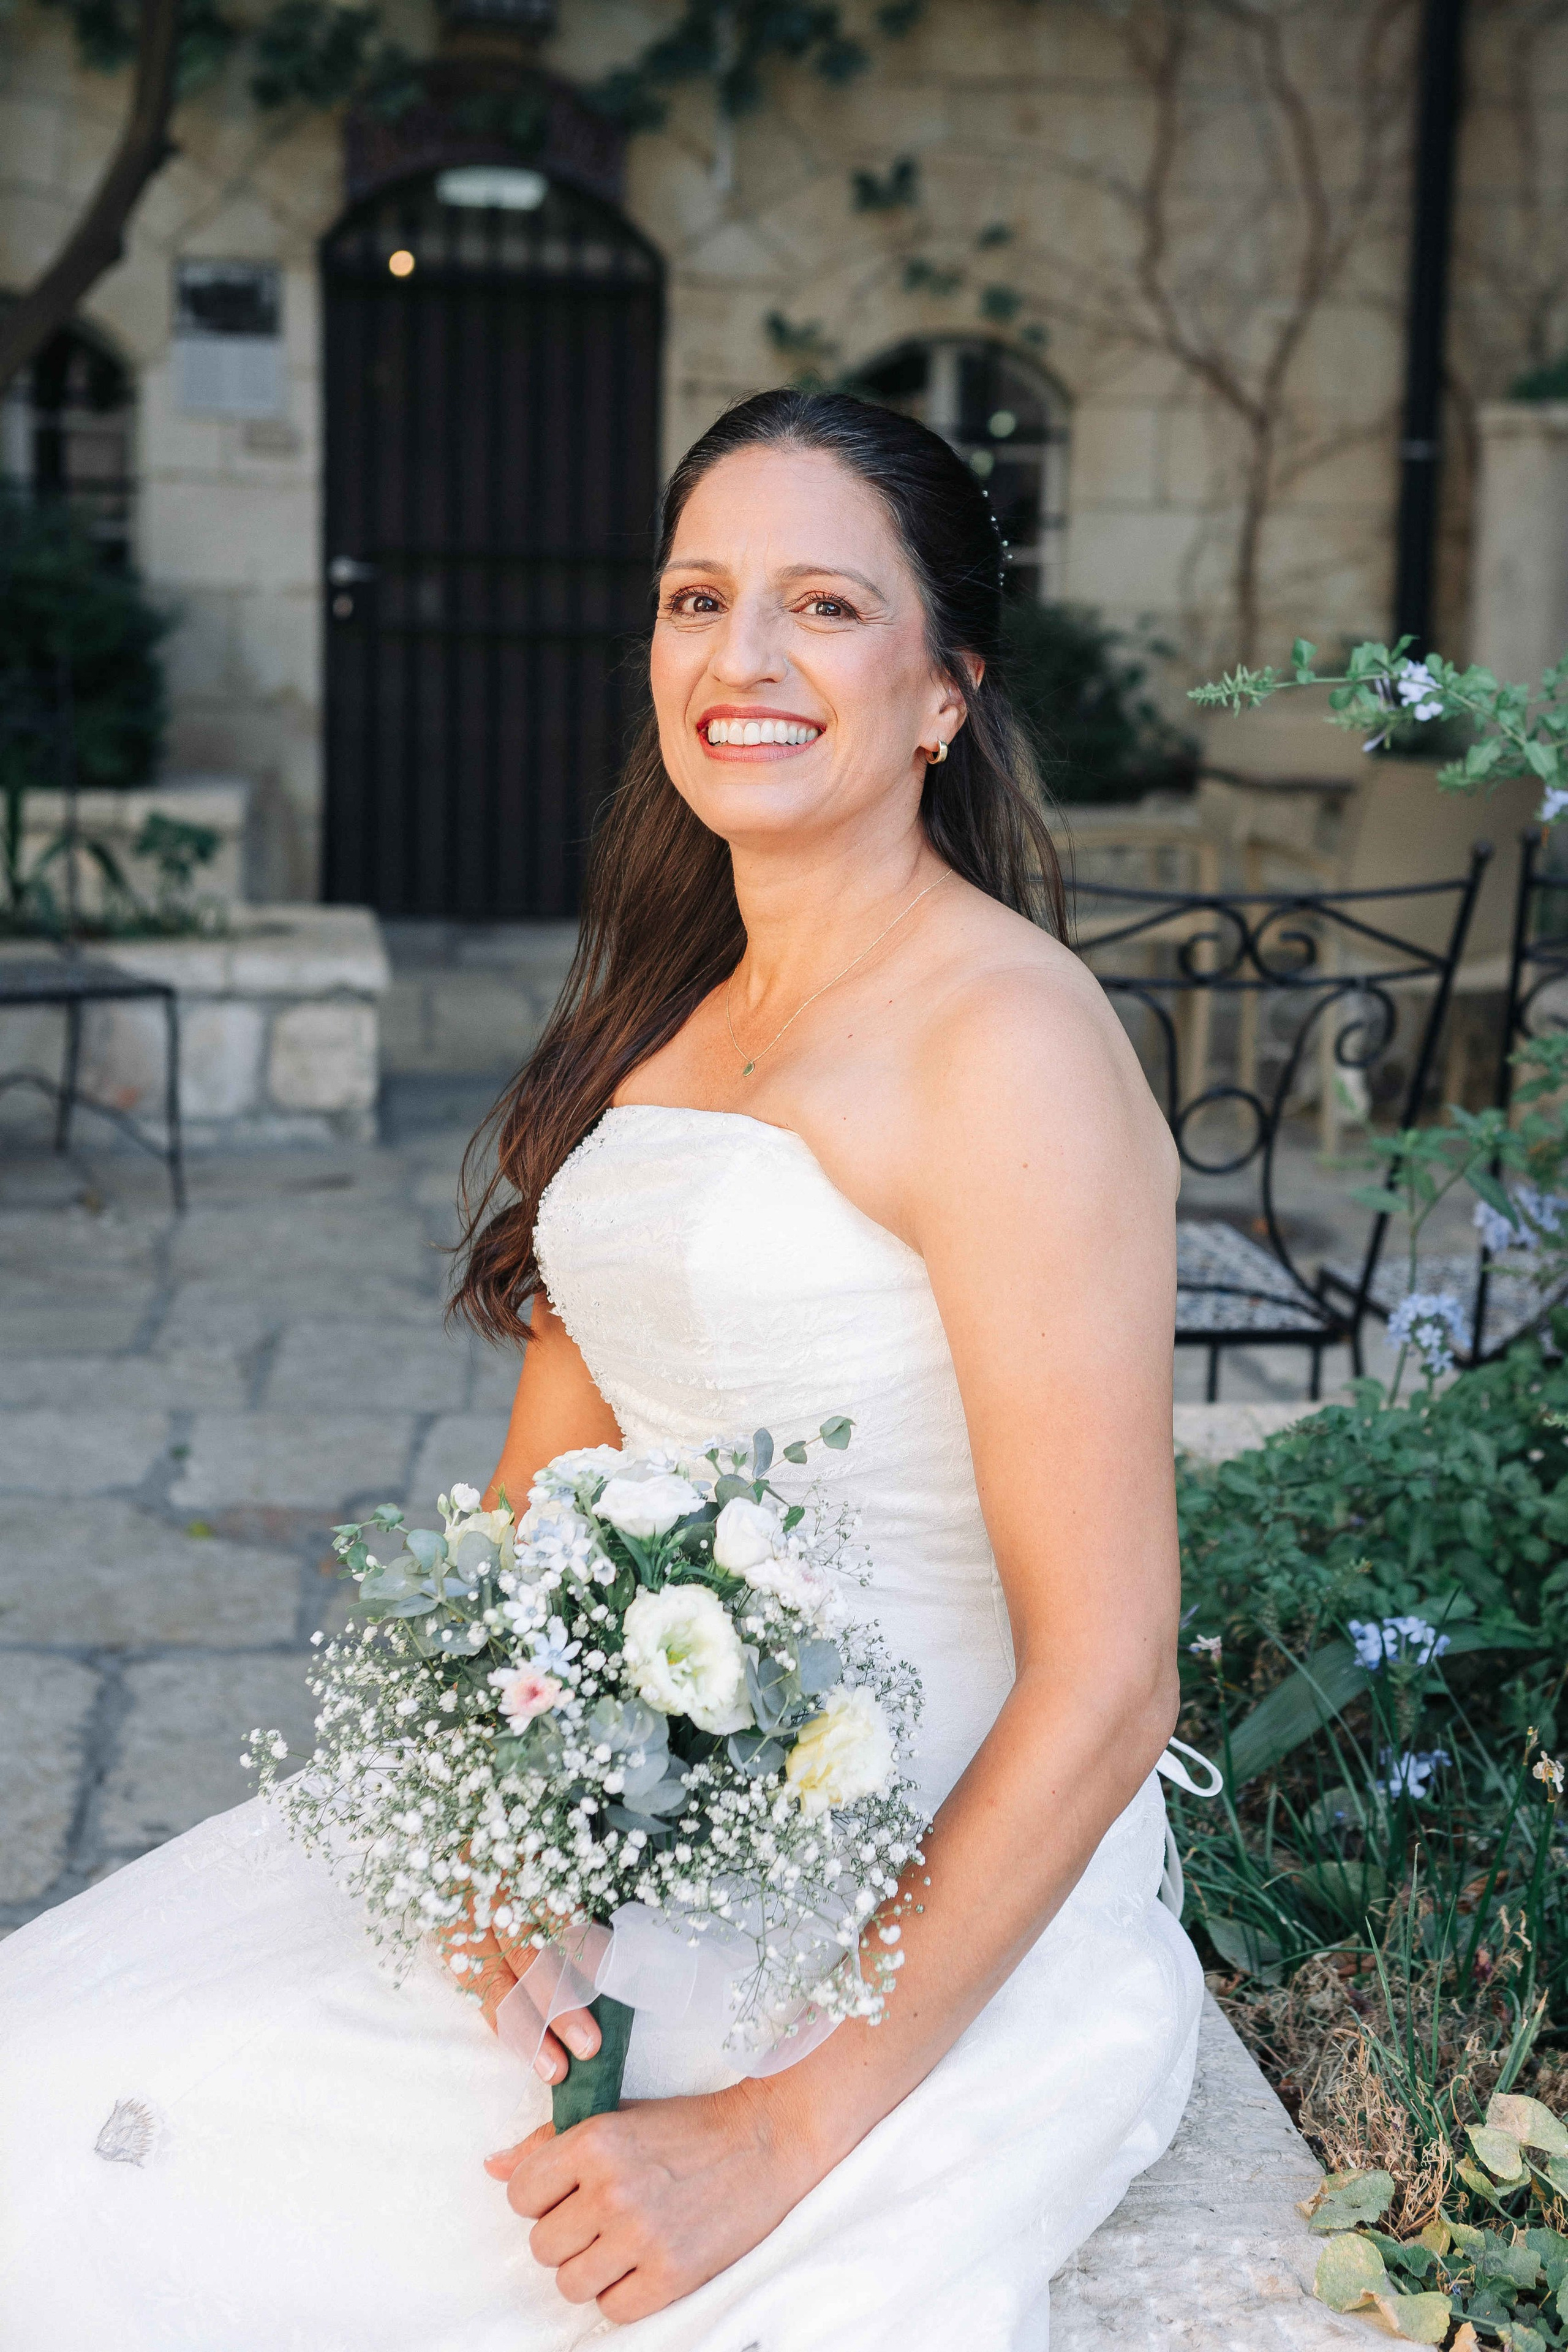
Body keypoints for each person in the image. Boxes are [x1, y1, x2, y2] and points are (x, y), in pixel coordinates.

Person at [0, 388, 1202, 2350]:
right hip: (614, 1800)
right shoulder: (668, 1010)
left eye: (823, 606)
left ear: (942, 695)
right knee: (54, 2077)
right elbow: (519, 1526)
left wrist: (780, 2130)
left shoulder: (1009, 1046)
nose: (741, 658)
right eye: (697, 597)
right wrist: (485, 1869)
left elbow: (1113, 1669)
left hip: (892, 1864)